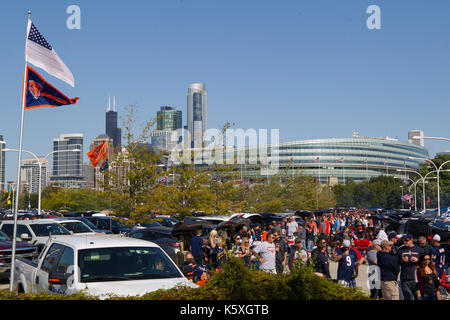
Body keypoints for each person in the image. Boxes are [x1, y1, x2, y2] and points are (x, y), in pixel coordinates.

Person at [397, 234, 423, 300]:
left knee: (418, 296)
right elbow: (396, 262)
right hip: (405, 277)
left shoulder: (419, 249)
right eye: (403, 240)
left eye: (406, 240)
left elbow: (426, 261)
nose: (404, 242)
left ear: (411, 240)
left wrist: (418, 260)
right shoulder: (400, 250)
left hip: (416, 277)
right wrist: (402, 261)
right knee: (408, 297)